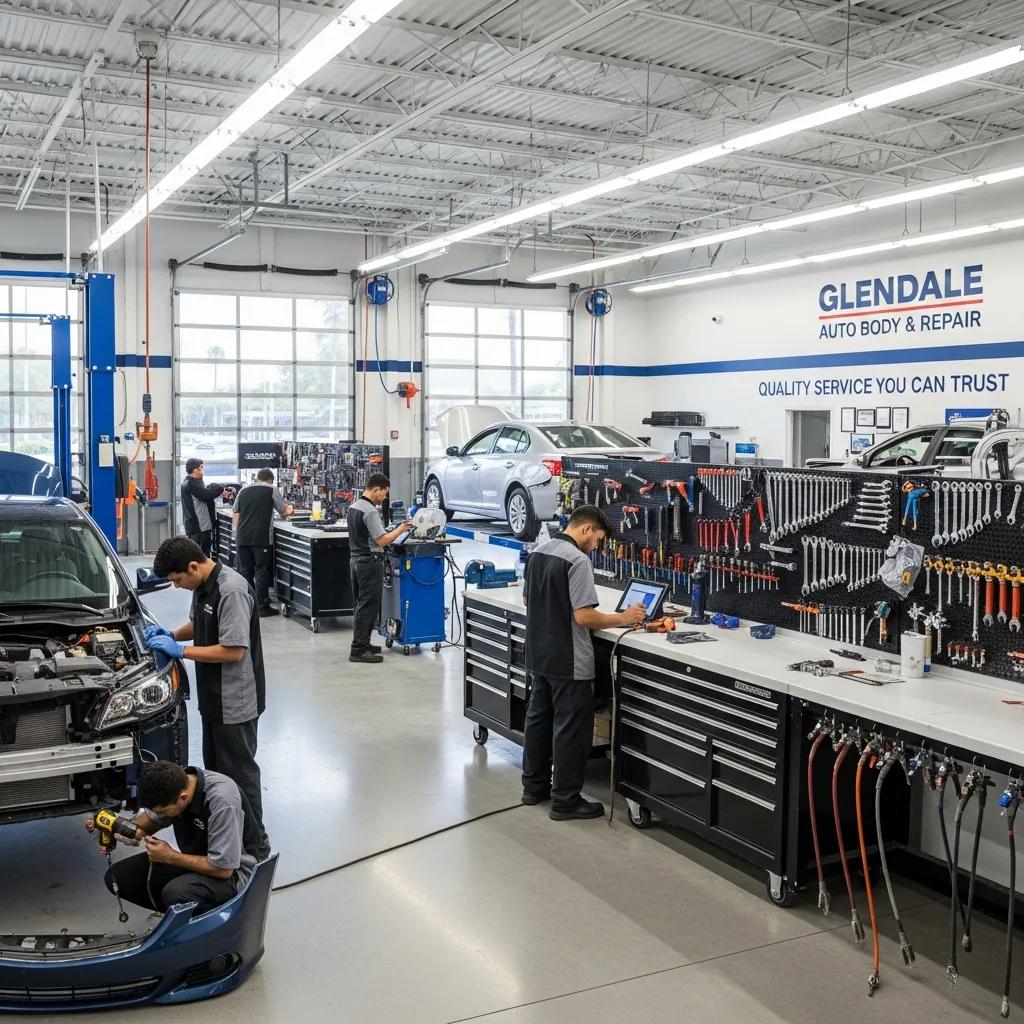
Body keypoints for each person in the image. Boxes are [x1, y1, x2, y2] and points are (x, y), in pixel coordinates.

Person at [146, 536, 270, 858]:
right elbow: (198, 621)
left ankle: (256, 847)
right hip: (214, 699)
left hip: (236, 701)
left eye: (177, 580)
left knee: (240, 777)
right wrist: (170, 634)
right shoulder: (202, 585)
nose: (177, 586)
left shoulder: (231, 589)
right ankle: (227, 838)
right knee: (217, 775)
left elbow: (233, 651)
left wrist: (181, 651)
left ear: (192, 567)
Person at [521, 505, 646, 821]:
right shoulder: (577, 560)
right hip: (569, 659)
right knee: (571, 729)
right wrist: (623, 618)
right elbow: (584, 616)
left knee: (538, 720)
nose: (596, 546)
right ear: (587, 529)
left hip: (538, 654)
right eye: (597, 539)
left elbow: (527, 599)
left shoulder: (539, 551)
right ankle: (565, 800)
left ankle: (533, 788)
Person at [87, 760, 263, 915]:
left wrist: (170, 857)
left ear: (183, 798)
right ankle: (180, 915)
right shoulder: (174, 784)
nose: (159, 816)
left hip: (236, 874)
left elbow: (224, 869)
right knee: (118, 877)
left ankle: (214, 924)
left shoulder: (221, 802)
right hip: (201, 863)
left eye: (163, 812)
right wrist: (116, 827)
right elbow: (146, 823)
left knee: (177, 894)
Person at [346, 473, 414, 664]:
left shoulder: (354, 507)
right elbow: (382, 540)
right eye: (384, 493)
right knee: (368, 605)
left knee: (361, 604)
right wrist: (401, 529)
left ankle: (364, 643)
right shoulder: (370, 511)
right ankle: (358, 650)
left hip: (356, 561)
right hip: (369, 562)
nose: (384, 498)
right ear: (376, 489)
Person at [232, 468, 293, 617]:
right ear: (270, 480)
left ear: (257, 478)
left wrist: (236, 534)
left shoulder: (243, 491)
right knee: (261, 571)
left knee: (245, 572)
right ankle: (262, 606)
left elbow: (235, 513)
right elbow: (284, 512)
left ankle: (248, 604)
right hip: (261, 538)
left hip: (242, 537)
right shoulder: (271, 489)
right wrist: (291, 508)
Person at [180, 458, 225, 558]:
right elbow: (206, 495)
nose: (203, 470)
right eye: (201, 467)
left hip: (199, 526)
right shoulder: (191, 483)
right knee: (200, 556)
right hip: (199, 526)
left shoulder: (191, 482)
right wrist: (220, 488)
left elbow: (204, 493)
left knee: (201, 555)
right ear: (195, 470)